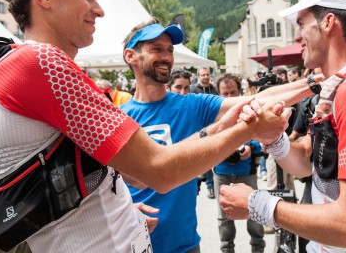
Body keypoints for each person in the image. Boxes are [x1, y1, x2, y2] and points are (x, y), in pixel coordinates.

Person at [0, 0, 291, 253]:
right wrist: (245, 131)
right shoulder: (41, 63)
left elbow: (130, 172)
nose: (100, 9)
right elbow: (158, 171)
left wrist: (118, 201)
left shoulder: (28, 64)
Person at [220, 0, 346, 252]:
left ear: (329, 23)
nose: (297, 36)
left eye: (302, 23)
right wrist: (274, 138)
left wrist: (258, 204)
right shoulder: (341, 85)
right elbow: (309, 164)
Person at [120, 19, 324, 253]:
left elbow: (255, 101)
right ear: (131, 56)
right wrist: (126, 212)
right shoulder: (118, 119)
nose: (166, 57)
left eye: (169, 50)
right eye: (156, 49)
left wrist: (315, 83)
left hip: (185, 245)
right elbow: (106, 185)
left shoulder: (192, 105)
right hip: (135, 245)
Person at [212, 74, 265, 253]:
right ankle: (227, 250)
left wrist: (251, 147)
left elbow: (263, 139)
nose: (229, 97)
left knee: (255, 212)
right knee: (224, 217)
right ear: (218, 93)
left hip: (246, 171)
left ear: (239, 91)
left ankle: (258, 249)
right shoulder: (213, 114)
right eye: (224, 93)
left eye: (232, 92)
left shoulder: (251, 111)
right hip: (221, 171)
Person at [191, 66, 219, 197]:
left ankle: (214, 183)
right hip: (200, 130)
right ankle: (210, 185)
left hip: (215, 129)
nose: (206, 77)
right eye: (203, 75)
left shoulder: (215, 90)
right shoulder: (194, 91)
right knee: (206, 157)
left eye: (207, 75)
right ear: (198, 76)